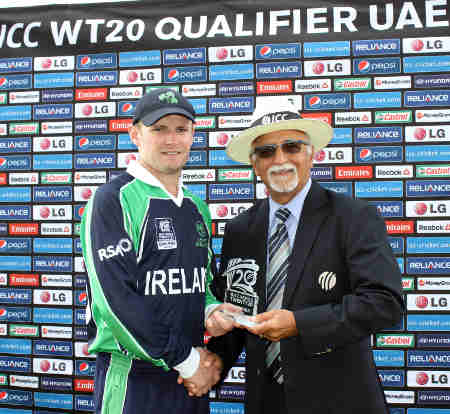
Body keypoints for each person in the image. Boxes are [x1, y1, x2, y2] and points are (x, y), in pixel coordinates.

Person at [206, 98, 404, 414]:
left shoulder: (353, 217)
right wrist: (212, 364)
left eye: (292, 147)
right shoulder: (240, 230)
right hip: (265, 403)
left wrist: (298, 323)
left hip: (341, 403)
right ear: (253, 164)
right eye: (266, 152)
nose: (280, 159)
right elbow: (237, 310)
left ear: (312, 154)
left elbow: (384, 304)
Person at [80, 88, 240, 414]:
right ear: (135, 134)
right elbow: (115, 302)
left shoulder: (197, 207)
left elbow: (202, 283)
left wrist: (211, 311)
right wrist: (187, 360)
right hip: (135, 379)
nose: (172, 140)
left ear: (193, 135)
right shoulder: (113, 199)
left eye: (181, 130)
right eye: (159, 129)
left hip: (189, 378)